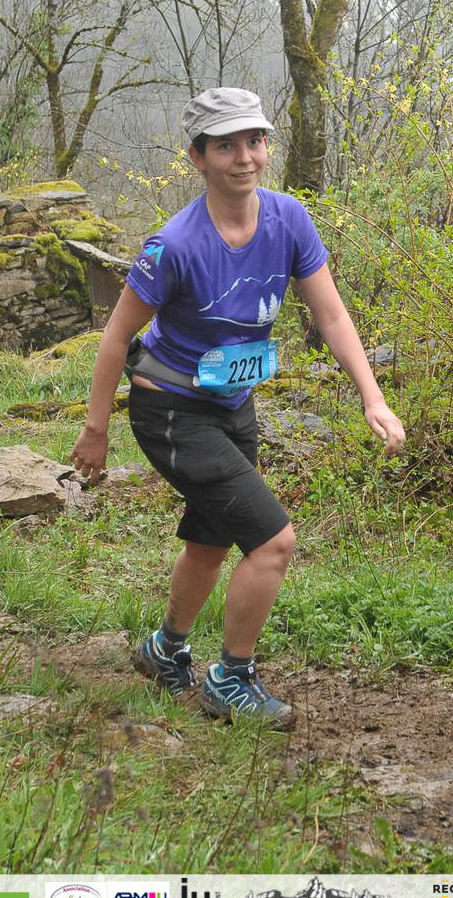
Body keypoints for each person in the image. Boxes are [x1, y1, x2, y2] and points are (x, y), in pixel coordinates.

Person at [71, 87, 405, 729]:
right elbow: (116, 335)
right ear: (198, 157)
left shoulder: (289, 219)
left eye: (254, 141)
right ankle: (231, 679)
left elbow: (331, 314)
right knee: (274, 542)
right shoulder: (173, 245)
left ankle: (165, 650)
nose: (245, 157)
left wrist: (374, 397)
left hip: (232, 402)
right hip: (171, 410)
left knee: (212, 537)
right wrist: (96, 429)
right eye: (226, 146)